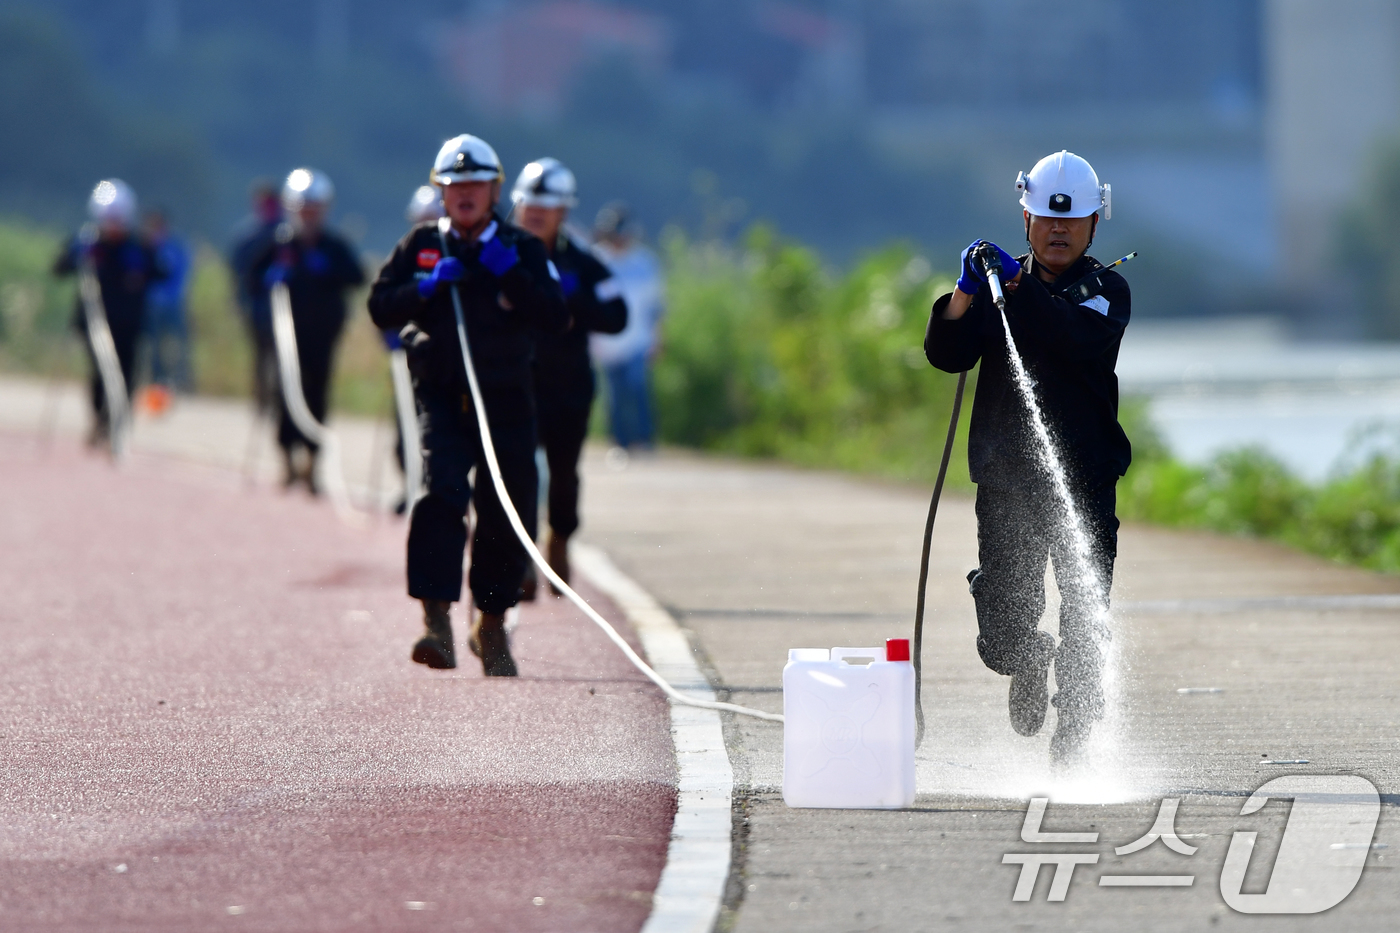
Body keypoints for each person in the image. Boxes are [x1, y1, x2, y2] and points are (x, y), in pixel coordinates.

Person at [922, 150, 1130, 765]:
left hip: (1084, 477)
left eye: (1071, 221)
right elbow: (947, 354)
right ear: (1025, 218)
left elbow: (1070, 336)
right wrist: (961, 294)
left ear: (1095, 223)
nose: (1057, 230)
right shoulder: (996, 288)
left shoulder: (1106, 291)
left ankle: (1075, 736)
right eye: (1044, 219)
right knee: (1002, 634)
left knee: (1086, 614)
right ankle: (1029, 661)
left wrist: (1013, 286)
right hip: (1008, 478)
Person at [367, 135, 567, 676]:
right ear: (441, 192)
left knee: (507, 509)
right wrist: (425, 287)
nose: (465, 195)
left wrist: (512, 275)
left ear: (495, 190)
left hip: (505, 401)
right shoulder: (422, 245)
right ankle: (435, 623)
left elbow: (555, 315)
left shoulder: (521, 247)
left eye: (476, 185)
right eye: (454, 186)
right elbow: (379, 306)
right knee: (440, 498)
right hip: (442, 397)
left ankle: (492, 624)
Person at [510, 159, 627, 594]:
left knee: (562, 473)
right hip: (515, 383)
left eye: (548, 205)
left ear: (564, 212)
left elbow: (618, 316)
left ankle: (559, 539)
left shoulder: (583, 263)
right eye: (530, 204)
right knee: (518, 472)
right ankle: (519, 559)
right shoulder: (502, 255)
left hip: (568, 387)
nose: (536, 212)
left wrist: (574, 300)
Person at [246, 168, 365, 492]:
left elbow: (356, 276)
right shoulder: (279, 244)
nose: (309, 216)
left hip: (323, 335)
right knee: (283, 394)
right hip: (284, 337)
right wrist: (272, 277)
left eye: (315, 209)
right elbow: (250, 277)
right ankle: (286, 459)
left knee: (317, 394)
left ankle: (312, 463)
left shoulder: (333, 246)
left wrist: (328, 273)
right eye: (303, 209)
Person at [52, 179, 165, 448]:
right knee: (101, 371)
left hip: (129, 324)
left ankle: (117, 420)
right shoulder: (87, 241)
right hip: (95, 323)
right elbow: (58, 269)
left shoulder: (138, 246)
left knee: (127, 373)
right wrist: (76, 255)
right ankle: (100, 418)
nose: (113, 225)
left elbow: (161, 272)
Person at [588, 202, 665, 451]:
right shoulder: (596, 260)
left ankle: (644, 440)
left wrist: (658, 339)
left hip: (638, 341)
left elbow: (655, 306)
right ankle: (619, 442)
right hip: (606, 343)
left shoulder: (645, 262)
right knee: (615, 397)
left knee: (637, 389)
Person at [229, 180, 283, 419]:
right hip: (258, 306)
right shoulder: (247, 237)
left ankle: (280, 398)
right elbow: (238, 274)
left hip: (284, 306)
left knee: (282, 355)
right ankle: (262, 399)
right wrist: (240, 303)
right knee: (262, 355)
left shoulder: (287, 233)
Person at [141, 208, 192, 396]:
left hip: (173, 303)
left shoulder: (176, 246)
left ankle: (182, 381)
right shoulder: (145, 247)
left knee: (178, 344)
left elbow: (181, 273)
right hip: (152, 304)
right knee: (153, 345)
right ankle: (156, 381)